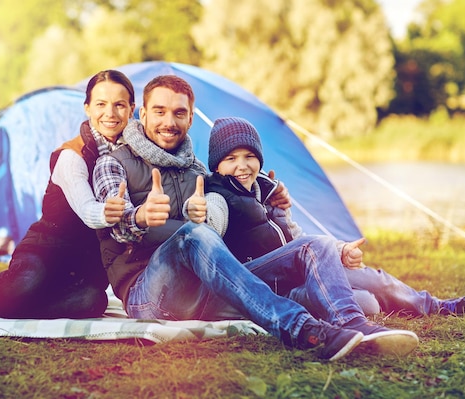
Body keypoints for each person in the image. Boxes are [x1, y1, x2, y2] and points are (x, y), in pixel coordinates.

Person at [93, 75, 419, 361]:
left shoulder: (199, 174)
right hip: (149, 294)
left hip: (204, 290)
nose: (169, 121)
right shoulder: (114, 162)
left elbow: (223, 211)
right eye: (160, 111)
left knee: (314, 245)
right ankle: (301, 329)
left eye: (179, 112)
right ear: (143, 113)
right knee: (195, 235)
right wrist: (140, 217)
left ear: (191, 118)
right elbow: (112, 220)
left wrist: (269, 198)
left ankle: (352, 324)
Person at [200, 116, 465, 318]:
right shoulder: (218, 196)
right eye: (231, 158)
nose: (242, 165)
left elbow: (297, 239)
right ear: (217, 165)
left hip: (302, 270)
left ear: (259, 158)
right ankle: (360, 311)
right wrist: (199, 215)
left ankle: (437, 306)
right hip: (269, 288)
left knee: (373, 279)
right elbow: (211, 221)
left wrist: (339, 251)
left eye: (249, 155)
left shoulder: (268, 190)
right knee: (366, 304)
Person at [0, 70, 134, 324]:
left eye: (119, 105)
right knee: (27, 282)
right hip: (46, 250)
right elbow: (86, 209)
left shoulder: (133, 158)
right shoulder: (71, 156)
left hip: (87, 266)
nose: (111, 113)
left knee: (91, 302)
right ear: (87, 108)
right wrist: (107, 212)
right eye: (101, 104)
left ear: (132, 109)